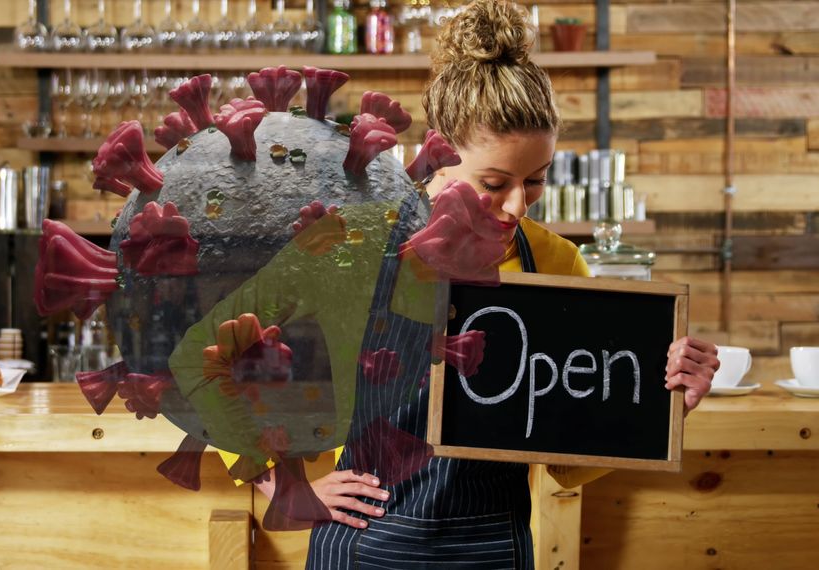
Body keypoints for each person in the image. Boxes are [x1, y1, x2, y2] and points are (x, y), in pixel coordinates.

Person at [293, 1, 720, 567]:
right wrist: (285, 487)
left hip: (491, 545)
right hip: (363, 545)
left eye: (535, 182)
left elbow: (567, 456)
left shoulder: (553, 262)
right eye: (494, 183)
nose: (518, 205)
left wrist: (662, 406)